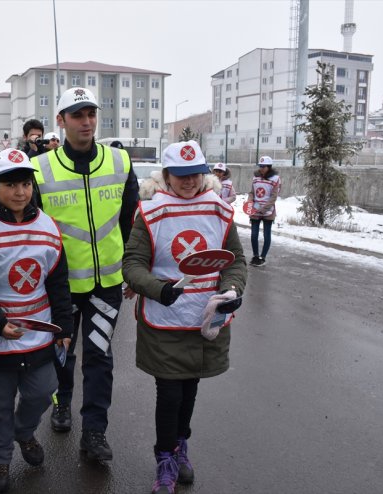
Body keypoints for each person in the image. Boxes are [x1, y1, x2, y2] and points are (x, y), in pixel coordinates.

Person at [122, 140, 247, 494]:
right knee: (170, 392)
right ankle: (165, 456)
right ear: (166, 175)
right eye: (180, 174)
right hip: (165, 317)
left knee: (189, 387)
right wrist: (157, 288)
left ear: (203, 173)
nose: (188, 181)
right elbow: (132, 263)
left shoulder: (219, 210)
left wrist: (232, 290)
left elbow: (234, 259)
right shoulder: (150, 212)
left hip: (205, 317)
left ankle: (179, 445)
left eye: (195, 173)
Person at [30, 86, 140, 461]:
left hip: (105, 285)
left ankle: (94, 432)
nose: (87, 122)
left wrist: (129, 267)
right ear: (60, 121)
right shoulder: (40, 170)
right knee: (62, 352)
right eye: (77, 115)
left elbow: (130, 221)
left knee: (99, 356)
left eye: (91, 113)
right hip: (60, 287)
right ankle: (62, 401)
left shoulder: (120, 163)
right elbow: (28, 225)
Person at [0, 148, 73, 492]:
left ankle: (24, 431)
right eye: (11, 184)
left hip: (39, 332)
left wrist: (64, 327)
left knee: (44, 391)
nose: (20, 192)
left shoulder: (47, 225)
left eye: (26, 183)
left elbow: (57, 281)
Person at [247, 156, 281, 266]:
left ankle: (263, 257)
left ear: (269, 167)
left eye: (264, 166)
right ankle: (255, 255)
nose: (261, 168)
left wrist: (263, 208)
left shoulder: (275, 179)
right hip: (255, 211)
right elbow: (251, 192)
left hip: (268, 212)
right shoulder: (255, 178)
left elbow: (273, 196)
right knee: (254, 234)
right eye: (260, 166)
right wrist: (250, 202)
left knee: (267, 235)